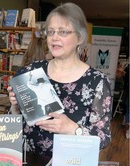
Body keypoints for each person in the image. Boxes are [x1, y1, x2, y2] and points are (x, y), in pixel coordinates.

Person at [8, 3, 112, 156]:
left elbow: (102, 138)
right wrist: (15, 107)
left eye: (63, 32)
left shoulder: (97, 82)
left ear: (80, 37)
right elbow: (11, 127)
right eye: (51, 32)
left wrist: (71, 128)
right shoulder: (31, 71)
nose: (54, 37)